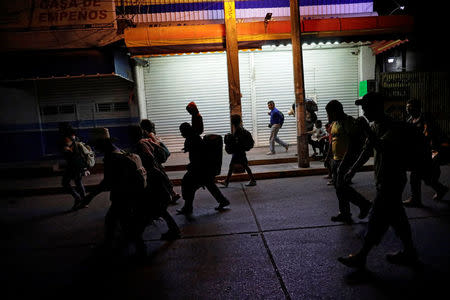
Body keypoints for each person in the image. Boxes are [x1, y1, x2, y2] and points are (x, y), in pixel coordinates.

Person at [338, 92, 419, 269]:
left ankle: (361, 257)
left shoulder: (393, 127)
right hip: (383, 180)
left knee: (375, 220)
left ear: (376, 107)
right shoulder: (375, 127)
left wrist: (366, 129)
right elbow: (367, 151)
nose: (364, 111)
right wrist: (352, 170)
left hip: (393, 181)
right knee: (398, 219)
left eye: (366, 108)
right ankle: (410, 252)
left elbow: (383, 147)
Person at [85, 128, 148, 257]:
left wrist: (90, 196)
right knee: (116, 221)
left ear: (103, 143)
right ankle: (125, 247)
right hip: (128, 194)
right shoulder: (119, 151)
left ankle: (137, 250)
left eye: (96, 145)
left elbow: (107, 182)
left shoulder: (111, 157)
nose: (95, 148)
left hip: (123, 196)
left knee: (120, 222)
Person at [127, 125, 181, 240]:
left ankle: (137, 239)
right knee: (158, 208)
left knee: (156, 208)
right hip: (155, 177)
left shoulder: (140, 145)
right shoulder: (143, 143)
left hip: (152, 179)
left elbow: (149, 159)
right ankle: (173, 230)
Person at [325, 100, 372, 225]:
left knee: (342, 186)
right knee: (338, 187)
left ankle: (364, 204)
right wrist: (328, 157)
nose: (328, 115)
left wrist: (345, 163)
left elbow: (353, 144)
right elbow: (332, 141)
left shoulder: (348, 122)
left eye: (329, 112)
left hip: (345, 160)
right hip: (336, 159)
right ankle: (344, 213)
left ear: (336, 111)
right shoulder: (335, 123)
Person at [176, 122, 230, 215]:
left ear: (186, 131)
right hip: (204, 168)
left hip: (200, 169)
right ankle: (222, 201)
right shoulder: (193, 137)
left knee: (188, 185)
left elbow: (199, 156)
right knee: (208, 185)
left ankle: (188, 208)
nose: (181, 134)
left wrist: (191, 166)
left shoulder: (193, 139)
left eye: (182, 132)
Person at [402, 99, 448, 207]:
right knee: (425, 177)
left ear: (417, 108)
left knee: (416, 176)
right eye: (407, 108)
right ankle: (440, 189)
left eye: (410, 107)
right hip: (421, 152)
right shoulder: (410, 120)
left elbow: (428, 135)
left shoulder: (425, 118)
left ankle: (416, 199)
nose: (408, 110)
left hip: (431, 151)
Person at [140, 119, 181, 204]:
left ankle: (172, 195)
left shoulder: (150, 135)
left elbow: (156, 145)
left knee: (162, 177)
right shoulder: (150, 134)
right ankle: (171, 195)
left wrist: (150, 142)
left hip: (154, 159)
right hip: (155, 159)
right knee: (161, 177)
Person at [218, 114, 256, 187]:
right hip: (240, 151)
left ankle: (227, 182)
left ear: (233, 121)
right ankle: (227, 181)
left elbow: (237, 141)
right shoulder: (239, 127)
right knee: (241, 165)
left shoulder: (237, 129)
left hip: (238, 152)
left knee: (235, 166)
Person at [58, 122, 87, 211]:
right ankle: (84, 201)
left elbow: (67, 149)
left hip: (72, 165)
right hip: (79, 164)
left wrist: (65, 149)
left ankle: (77, 197)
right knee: (78, 182)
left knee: (65, 183)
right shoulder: (75, 137)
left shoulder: (66, 138)